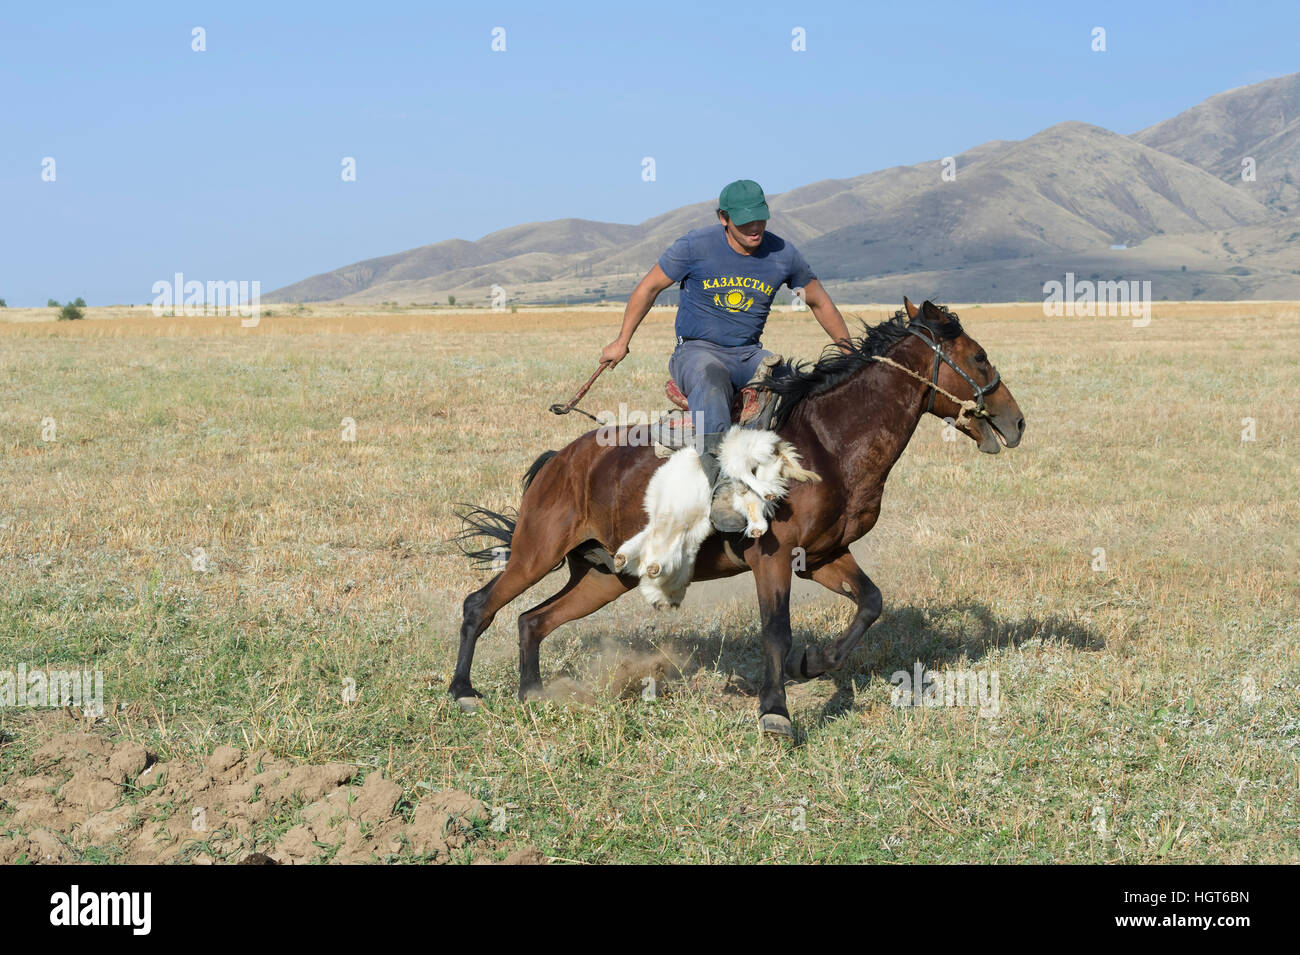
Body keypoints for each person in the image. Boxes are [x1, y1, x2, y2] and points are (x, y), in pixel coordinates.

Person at [600, 179, 852, 531]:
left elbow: (818, 300)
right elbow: (650, 287)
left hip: (749, 354)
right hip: (697, 352)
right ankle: (723, 491)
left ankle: (794, 476)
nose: (755, 228)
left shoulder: (782, 254)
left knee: (794, 385)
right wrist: (621, 340)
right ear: (723, 218)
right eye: (745, 221)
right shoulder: (695, 246)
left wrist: (847, 349)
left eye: (760, 219)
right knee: (711, 380)